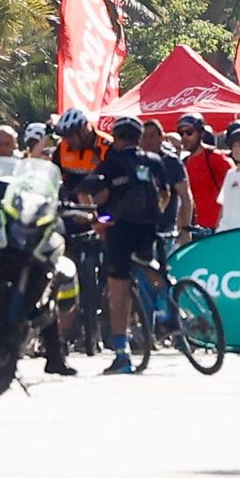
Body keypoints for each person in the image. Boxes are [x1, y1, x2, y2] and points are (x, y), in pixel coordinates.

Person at [79, 117, 167, 375]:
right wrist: (154, 215)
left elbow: (87, 190)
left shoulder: (112, 161)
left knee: (118, 292)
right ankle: (169, 312)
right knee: (150, 268)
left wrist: (98, 220)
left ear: (116, 139)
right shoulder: (154, 160)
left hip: (120, 230)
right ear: (139, 138)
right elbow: (165, 193)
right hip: (148, 227)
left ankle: (122, 354)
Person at [140, 119, 194, 242]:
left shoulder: (171, 162)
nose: (148, 140)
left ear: (161, 138)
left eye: (152, 136)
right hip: (139, 231)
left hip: (165, 230)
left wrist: (185, 229)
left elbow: (185, 197)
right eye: (144, 136)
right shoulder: (136, 161)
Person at [177, 113, 231, 232]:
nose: (184, 137)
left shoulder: (215, 157)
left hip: (218, 228)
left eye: (189, 132)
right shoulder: (185, 162)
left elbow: (236, 187)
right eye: (181, 133)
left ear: (201, 133)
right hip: (195, 228)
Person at [52, 108, 113, 200]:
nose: (68, 141)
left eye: (71, 136)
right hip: (69, 200)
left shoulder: (106, 145)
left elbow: (112, 182)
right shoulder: (62, 147)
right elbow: (53, 173)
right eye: (65, 137)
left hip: (98, 201)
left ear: (84, 129)